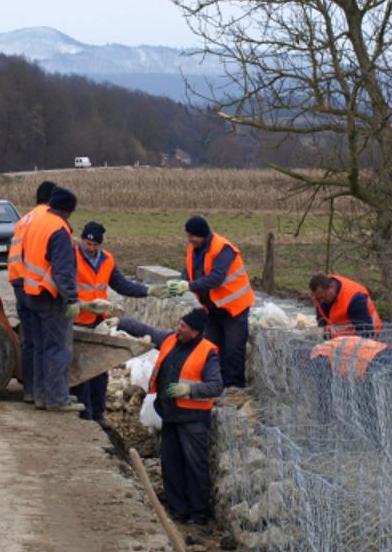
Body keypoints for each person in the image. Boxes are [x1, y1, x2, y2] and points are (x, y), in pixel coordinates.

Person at [126, 309, 224, 524]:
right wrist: (121, 322)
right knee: (171, 465)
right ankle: (177, 509)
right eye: (180, 323)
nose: (179, 328)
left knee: (194, 466)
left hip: (193, 419)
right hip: (170, 415)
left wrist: (188, 390)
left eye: (184, 327)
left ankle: (198, 514)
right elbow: (145, 330)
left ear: (196, 332)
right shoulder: (171, 340)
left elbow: (216, 386)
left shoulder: (207, 353)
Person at [68, 221, 165, 425]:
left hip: (97, 322)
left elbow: (122, 285)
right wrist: (82, 305)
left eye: (95, 245)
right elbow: (63, 287)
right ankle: (84, 415)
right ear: (82, 240)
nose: (91, 248)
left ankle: (98, 413)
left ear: (101, 244)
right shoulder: (71, 257)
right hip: (77, 321)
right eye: (87, 243)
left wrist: (147, 290)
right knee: (80, 371)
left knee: (100, 369)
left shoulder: (107, 260)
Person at [167, 215, 253, 390]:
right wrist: (180, 281)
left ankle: (234, 388)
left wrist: (189, 286)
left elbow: (216, 278)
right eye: (188, 236)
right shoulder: (194, 249)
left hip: (234, 307)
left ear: (203, 235)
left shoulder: (222, 248)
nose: (190, 240)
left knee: (233, 350)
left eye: (193, 236)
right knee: (211, 347)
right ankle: (215, 385)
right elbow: (189, 270)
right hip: (213, 308)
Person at [21, 186, 82, 412]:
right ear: (68, 210)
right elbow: (63, 270)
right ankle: (58, 399)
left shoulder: (36, 222)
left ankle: (41, 396)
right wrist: (72, 299)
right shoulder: (60, 230)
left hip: (31, 293)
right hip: (50, 297)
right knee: (59, 349)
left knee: (40, 349)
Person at [7, 180, 56, 405]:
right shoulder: (47, 218)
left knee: (29, 341)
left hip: (18, 282)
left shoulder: (23, 220)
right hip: (35, 286)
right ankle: (44, 391)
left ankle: (29, 390)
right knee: (45, 342)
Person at [308, 335, 392, 441]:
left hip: (374, 360)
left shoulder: (318, 356)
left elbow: (324, 392)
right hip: (385, 355)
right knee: (369, 403)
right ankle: (376, 438)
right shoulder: (327, 349)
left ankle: (377, 441)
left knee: (371, 404)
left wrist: (324, 420)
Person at [309, 273, 382, 339]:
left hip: (367, 333)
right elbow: (322, 316)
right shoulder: (323, 292)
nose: (321, 301)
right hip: (342, 338)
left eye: (323, 297)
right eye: (318, 299)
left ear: (332, 287)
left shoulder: (355, 299)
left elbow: (366, 333)